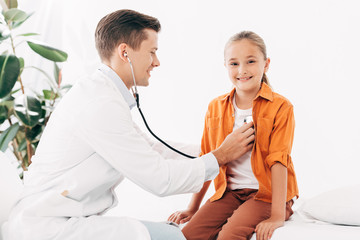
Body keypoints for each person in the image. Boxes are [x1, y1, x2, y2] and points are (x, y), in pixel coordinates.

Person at [5, 10, 256, 240]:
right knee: (175, 237)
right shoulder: (99, 104)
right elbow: (160, 179)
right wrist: (221, 155)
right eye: (152, 52)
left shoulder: (103, 96)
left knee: (172, 233)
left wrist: (215, 149)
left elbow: (152, 148)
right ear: (125, 52)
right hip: (48, 228)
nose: (156, 62)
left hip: (63, 219)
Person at [168, 31, 299, 240]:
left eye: (250, 61)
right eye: (234, 63)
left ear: (266, 64)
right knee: (188, 236)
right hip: (229, 194)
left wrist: (276, 216)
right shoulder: (215, 107)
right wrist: (192, 208)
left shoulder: (281, 107)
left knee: (229, 235)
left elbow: (279, 161)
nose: (242, 70)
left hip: (266, 196)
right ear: (226, 67)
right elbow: (209, 158)